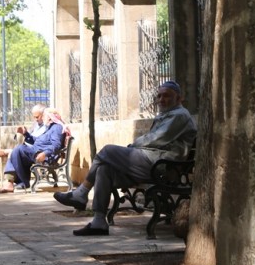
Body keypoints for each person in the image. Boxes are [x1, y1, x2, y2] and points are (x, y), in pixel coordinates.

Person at [54, 81, 196, 235]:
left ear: (179, 98)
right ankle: (99, 222)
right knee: (104, 169)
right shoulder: (167, 115)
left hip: (162, 166)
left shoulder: (180, 115)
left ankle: (81, 193)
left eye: (167, 96)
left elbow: (157, 139)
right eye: (159, 96)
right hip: (151, 162)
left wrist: (131, 147)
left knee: (107, 151)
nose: (161, 99)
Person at [0, 108, 68, 193]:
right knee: (16, 151)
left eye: (44, 116)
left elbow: (56, 145)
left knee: (18, 149)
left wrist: (45, 153)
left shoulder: (57, 128)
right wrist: (26, 133)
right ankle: (16, 183)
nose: (43, 118)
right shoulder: (50, 128)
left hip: (44, 156)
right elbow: (37, 141)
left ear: (50, 117)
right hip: (36, 151)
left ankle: (20, 182)